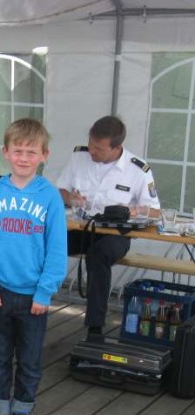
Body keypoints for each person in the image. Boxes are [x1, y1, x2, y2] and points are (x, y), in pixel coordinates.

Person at [0, 118, 67, 415]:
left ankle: (22, 413)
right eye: (18, 151)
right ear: (6, 152)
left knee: (29, 361)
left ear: (44, 155)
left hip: (33, 299)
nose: (24, 157)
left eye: (31, 152)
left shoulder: (50, 197)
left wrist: (45, 291)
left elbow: (57, 250)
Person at [55, 116, 160, 335]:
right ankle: (29, 303)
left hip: (116, 234)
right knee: (45, 242)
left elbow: (156, 211)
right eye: (91, 145)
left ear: (117, 147)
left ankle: (94, 326)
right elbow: (60, 191)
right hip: (82, 227)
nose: (92, 152)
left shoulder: (138, 170)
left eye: (99, 149)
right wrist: (70, 198)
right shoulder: (78, 157)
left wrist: (135, 210)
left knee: (99, 255)